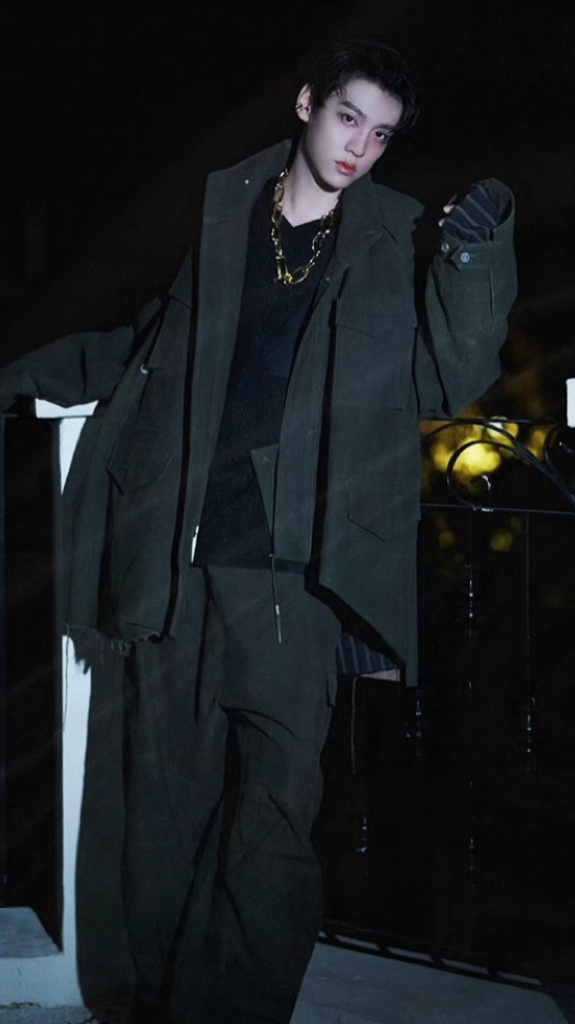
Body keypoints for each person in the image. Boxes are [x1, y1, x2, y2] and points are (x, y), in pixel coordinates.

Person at [0, 38, 516, 1024]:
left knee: (274, 822)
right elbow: (145, 347)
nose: (359, 146)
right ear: (306, 104)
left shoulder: (388, 241)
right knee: (162, 809)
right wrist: (18, 379)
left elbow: (447, 375)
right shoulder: (224, 218)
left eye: (381, 134)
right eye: (347, 118)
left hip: (296, 582)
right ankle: (148, 1003)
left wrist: (472, 253)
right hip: (180, 565)